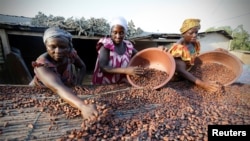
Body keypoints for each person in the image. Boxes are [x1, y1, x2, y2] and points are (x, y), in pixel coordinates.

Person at [29, 27, 98, 120]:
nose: (58, 51)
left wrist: (78, 83)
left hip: (65, 91)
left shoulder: (71, 54)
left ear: (69, 47)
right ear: (46, 46)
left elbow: (82, 66)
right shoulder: (41, 65)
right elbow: (57, 88)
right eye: (52, 46)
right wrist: (83, 106)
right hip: (41, 93)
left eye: (63, 47)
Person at [165, 18, 222, 92]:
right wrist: (203, 84)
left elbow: (194, 56)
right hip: (178, 78)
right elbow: (181, 71)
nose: (194, 35)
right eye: (191, 33)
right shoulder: (178, 48)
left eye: (196, 32)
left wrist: (215, 52)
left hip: (190, 72)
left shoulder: (193, 44)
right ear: (183, 34)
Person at [92, 16, 144, 85]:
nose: (118, 36)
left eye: (121, 32)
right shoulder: (106, 45)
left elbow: (142, 56)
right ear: (111, 32)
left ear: (125, 32)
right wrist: (126, 70)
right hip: (103, 86)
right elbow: (103, 67)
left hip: (120, 86)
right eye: (115, 32)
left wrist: (159, 49)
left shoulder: (128, 46)